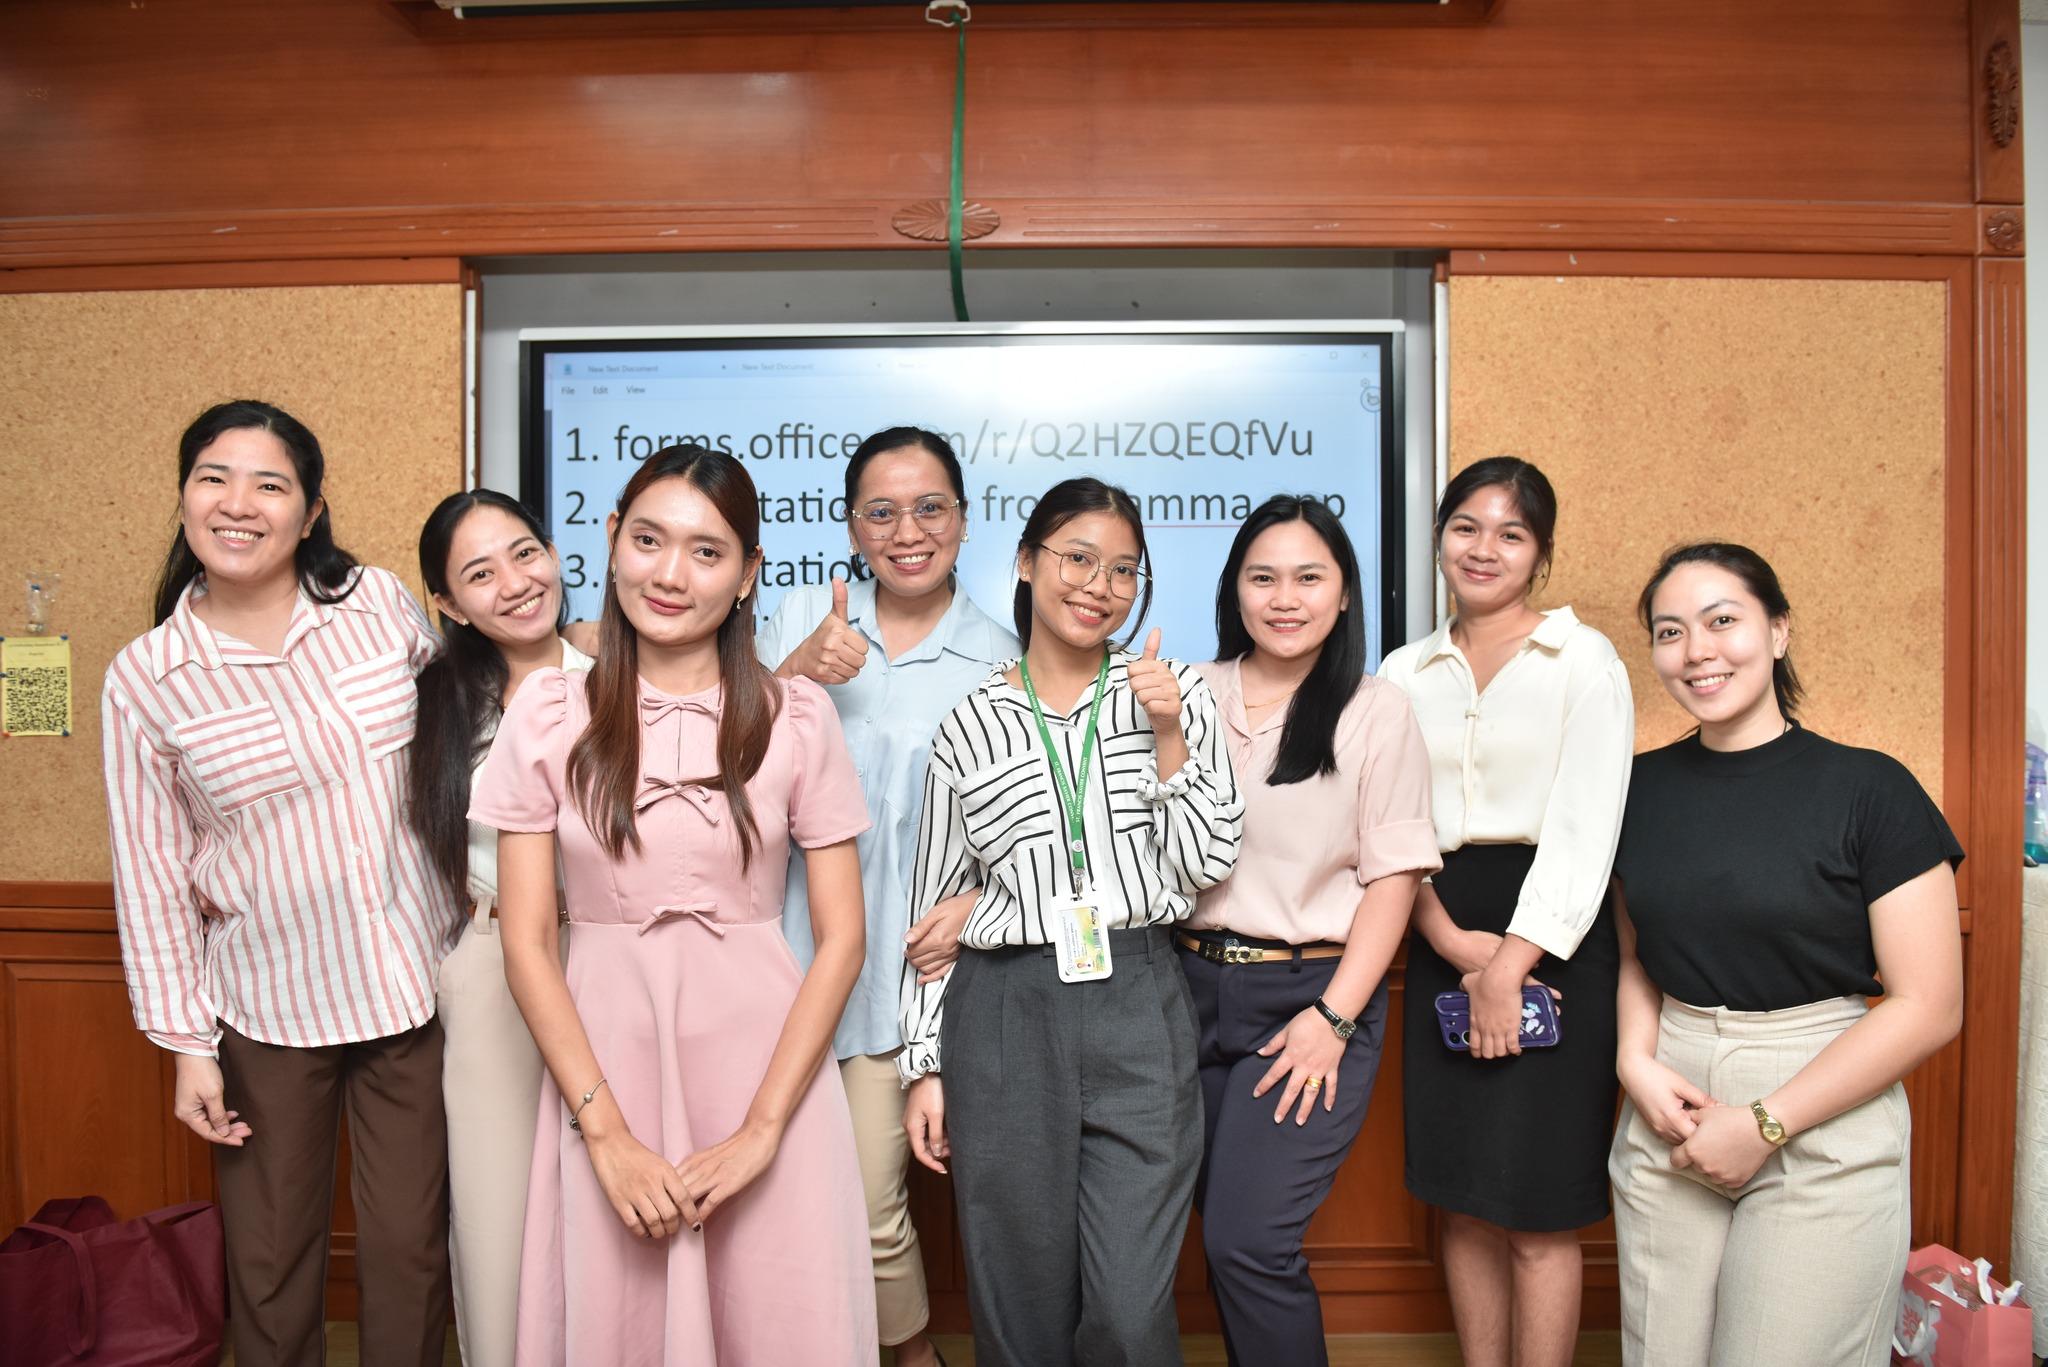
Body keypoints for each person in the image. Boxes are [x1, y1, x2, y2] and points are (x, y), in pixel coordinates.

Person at [469, 444, 876, 1365]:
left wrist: (763, 1130)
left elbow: (843, 937)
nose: (669, 573)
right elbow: (526, 943)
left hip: (769, 1068)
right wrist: (605, 1133)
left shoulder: (797, 715)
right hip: (605, 1066)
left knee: (778, 1320)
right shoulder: (547, 712)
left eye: (707, 551)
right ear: (613, 540)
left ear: (747, 575)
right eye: (648, 539)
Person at [101, 399, 455, 1367]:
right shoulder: (148, 676)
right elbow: (148, 872)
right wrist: (188, 1045)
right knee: (268, 1266)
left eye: (269, 483)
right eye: (213, 478)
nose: (238, 503)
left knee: (410, 1251)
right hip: (267, 1005)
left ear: (310, 510)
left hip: (414, 983)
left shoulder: (376, 603)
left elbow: (463, 735)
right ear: (184, 497)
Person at [900, 475, 1244, 1367]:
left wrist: (1168, 734)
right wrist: (925, 1065)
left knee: (1130, 1313)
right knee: (1019, 1306)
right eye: (1079, 559)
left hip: (1139, 995)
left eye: (1124, 570)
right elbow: (933, 912)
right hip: (1005, 1010)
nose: (1101, 586)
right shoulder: (968, 725)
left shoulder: (1173, 693)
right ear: (1025, 562)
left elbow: (1206, 863)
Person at [1608, 542, 1963, 1367]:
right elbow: (1634, 955)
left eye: (1721, 620)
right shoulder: (1635, 789)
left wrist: (1766, 1122)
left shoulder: (1871, 788)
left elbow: (1930, 1005)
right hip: (1671, 1098)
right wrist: (1634, 1062)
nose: (1696, 650)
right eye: (1670, 631)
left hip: (1822, 1099)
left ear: (1777, 631)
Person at [755, 425, 1015, 1367]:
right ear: (851, 526)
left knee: (867, 1205)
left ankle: (911, 1355)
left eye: (930, 507)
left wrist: (979, 904)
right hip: (774, 969)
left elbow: (1031, 834)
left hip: (902, 985)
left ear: (965, 519)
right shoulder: (796, 618)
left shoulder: (1004, 658)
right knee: (768, 1205)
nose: (909, 531)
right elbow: (711, 771)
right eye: (882, 511)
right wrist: (789, 677)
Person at [1377, 456, 1633, 1367]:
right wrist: (1449, 939)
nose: (1484, 549)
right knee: (1464, 1199)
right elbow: (1389, 822)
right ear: (1439, 537)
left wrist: (1509, 966)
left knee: (1537, 1208)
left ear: (1541, 553)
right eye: (1467, 527)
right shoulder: (1402, 670)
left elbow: (1586, 829)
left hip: (1556, 934)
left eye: (1511, 533)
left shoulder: (1584, 660)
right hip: (1436, 921)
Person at [1184, 495, 1441, 1366]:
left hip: (1308, 996)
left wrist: (1333, 1017)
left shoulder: (1375, 710)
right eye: (1263, 577)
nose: (1284, 598)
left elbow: (1394, 879)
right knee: (1218, 1234)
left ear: (1344, 592)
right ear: (1235, 588)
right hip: (1180, 991)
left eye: (1308, 577)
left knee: (1249, 1243)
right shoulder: (1187, 692)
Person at [408, 490, 594, 1367]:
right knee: (496, 1214)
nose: (516, 583)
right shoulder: (434, 703)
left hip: (611, 954)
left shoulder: (624, 674)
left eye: (525, 553)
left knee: (614, 1201)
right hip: (490, 967)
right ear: (448, 603)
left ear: (553, 553)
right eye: (480, 573)